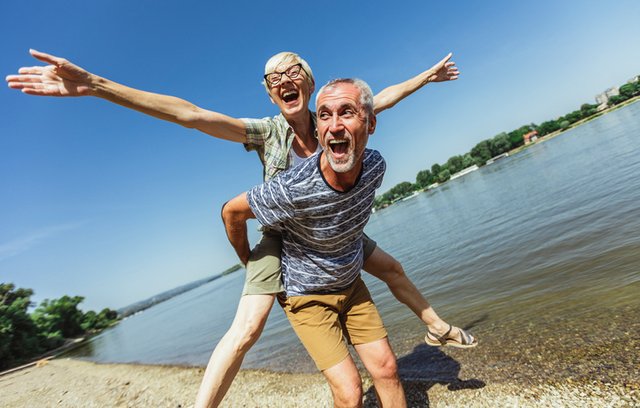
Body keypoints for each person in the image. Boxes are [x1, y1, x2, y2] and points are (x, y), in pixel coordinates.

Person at [6, 50, 476, 407]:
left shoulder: (332, 119)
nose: (284, 81)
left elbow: (381, 98)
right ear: (270, 94)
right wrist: (96, 83)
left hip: (330, 224)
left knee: (390, 267)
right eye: (274, 80)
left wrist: (426, 78)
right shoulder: (266, 131)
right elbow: (191, 115)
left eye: (293, 73)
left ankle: (436, 326)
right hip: (282, 233)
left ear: (309, 84)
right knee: (247, 329)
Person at [222, 78, 404, 407]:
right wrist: (248, 259)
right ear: (317, 131)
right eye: (324, 116)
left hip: (351, 286)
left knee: (387, 369)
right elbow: (232, 212)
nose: (334, 126)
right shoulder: (293, 187)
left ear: (371, 123)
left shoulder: (375, 167)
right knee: (349, 393)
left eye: (346, 113)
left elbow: (348, 223)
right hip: (308, 298)